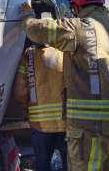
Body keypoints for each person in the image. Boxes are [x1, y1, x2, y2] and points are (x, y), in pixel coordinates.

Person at [20, 0, 109, 171]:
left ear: (76, 7)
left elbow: (39, 31)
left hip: (89, 129)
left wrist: (26, 16)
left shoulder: (78, 27)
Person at [12, 43, 68, 171]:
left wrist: (28, 108)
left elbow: (20, 92)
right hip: (66, 121)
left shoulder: (29, 54)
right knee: (68, 164)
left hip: (40, 123)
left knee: (43, 165)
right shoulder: (65, 51)